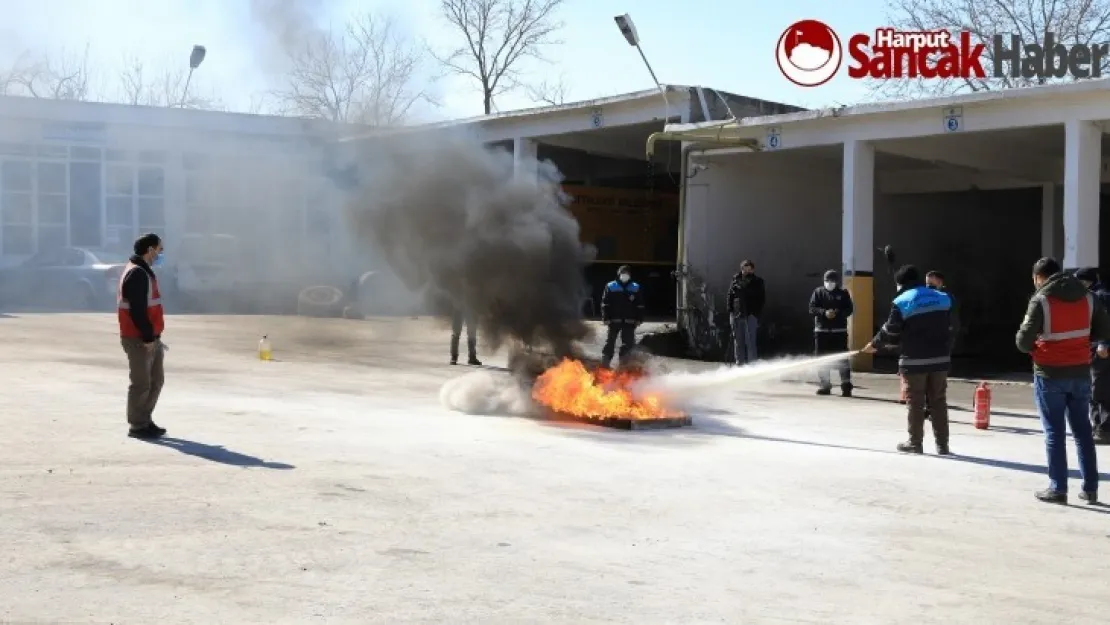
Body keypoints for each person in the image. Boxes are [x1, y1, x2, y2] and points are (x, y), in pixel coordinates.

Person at [1016, 257, 1110, 505]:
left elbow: (1023, 342)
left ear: (1039, 277)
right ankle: (1090, 489)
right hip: (1080, 372)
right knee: (1083, 432)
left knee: (1054, 433)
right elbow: (1104, 331)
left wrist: (1038, 343)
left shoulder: (1041, 300)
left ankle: (1058, 488)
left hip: (1049, 374)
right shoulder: (1090, 297)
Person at [862, 265, 952, 455]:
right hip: (940, 359)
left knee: (916, 402)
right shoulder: (942, 297)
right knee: (938, 401)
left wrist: (875, 344)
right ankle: (942, 445)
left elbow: (890, 330)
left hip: (915, 360)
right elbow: (953, 325)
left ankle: (915, 443)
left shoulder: (902, 301)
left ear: (900, 284)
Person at [119, 232, 167, 440]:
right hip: (138, 338)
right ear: (150, 250)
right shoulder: (137, 274)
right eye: (159, 249)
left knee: (156, 380)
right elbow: (137, 310)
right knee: (141, 383)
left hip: (150, 337)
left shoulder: (143, 271)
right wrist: (147, 338)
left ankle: (145, 419)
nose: (160, 253)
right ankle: (137, 426)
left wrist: (154, 337)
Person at [1076, 267, 1110, 445]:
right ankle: (1097, 426)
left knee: (1099, 388)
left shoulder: (1101, 296)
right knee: (1093, 387)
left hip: (1100, 349)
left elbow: (1105, 322)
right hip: (1093, 347)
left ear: (1086, 281)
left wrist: (1104, 343)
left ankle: (1103, 429)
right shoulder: (1093, 295)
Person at [809, 270, 854, 397]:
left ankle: (846, 386)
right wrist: (824, 313)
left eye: (832, 281)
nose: (829, 283)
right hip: (821, 331)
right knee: (822, 359)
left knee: (842, 359)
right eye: (827, 281)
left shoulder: (843, 293)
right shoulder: (818, 292)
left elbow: (849, 309)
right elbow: (812, 308)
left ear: (837, 282)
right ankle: (825, 385)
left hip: (839, 332)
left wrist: (837, 313)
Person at [923, 270, 960, 419]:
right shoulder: (924, 298)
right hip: (927, 342)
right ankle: (928, 407)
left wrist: (949, 341)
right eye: (926, 283)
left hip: (942, 344)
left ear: (939, 282)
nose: (928, 286)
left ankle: (934, 408)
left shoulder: (947, 298)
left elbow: (954, 322)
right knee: (925, 375)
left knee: (937, 378)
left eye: (930, 283)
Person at [600, 265, 644, 369]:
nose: (625, 275)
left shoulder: (635, 287)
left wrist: (639, 319)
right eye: (623, 273)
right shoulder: (610, 286)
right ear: (619, 274)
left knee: (628, 345)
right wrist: (605, 318)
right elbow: (605, 304)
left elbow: (640, 305)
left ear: (630, 274)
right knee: (610, 343)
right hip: (613, 321)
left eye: (627, 273)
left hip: (629, 321)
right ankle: (605, 366)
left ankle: (623, 367)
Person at [726, 260, 766, 365]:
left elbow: (761, 298)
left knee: (750, 342)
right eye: (744, 269)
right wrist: (730, 310)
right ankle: (740, 364)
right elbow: (730, 295)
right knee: (738, 342)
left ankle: (752, 366)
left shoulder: (758, 281)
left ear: (753, 270)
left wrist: (755, 313)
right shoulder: (735, 280)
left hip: (750, 314)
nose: (747, 271)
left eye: (749, 269)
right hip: (736, 314)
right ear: (741, 269)